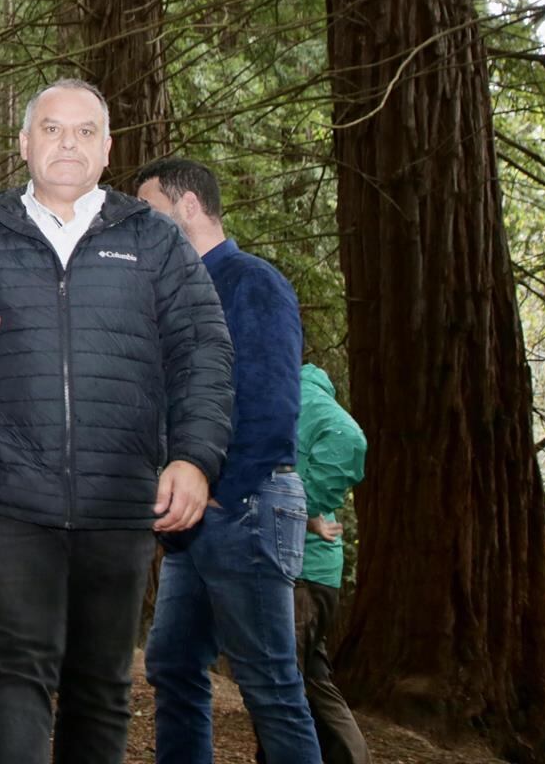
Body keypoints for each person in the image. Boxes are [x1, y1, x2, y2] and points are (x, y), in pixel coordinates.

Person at [0, 81, 234, 764]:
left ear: (108, 148)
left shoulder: (154, 240)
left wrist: (195, 457)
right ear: (24, 143)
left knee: (100, 685)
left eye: (86, 131)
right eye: (52, 129)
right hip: (8, 497)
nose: (69, 143)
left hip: (120, 500)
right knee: (13, 668)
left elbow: (202, 351)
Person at [134, 157, 320, 764]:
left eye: (152, 211)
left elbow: (271, 399)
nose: (144, 225)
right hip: (200, 519)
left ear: (188, 206)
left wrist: (220, 488)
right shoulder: (179, 288)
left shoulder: (250, 281)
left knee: (268, 683)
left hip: (247, 505)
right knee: (173, 664)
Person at [288, 363, 369, 764]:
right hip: (312, 573)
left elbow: (351, 439)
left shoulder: (302, 401)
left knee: (283, 683)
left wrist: (305, 508)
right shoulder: (305, 397)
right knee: (313, 681)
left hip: (305, 574)